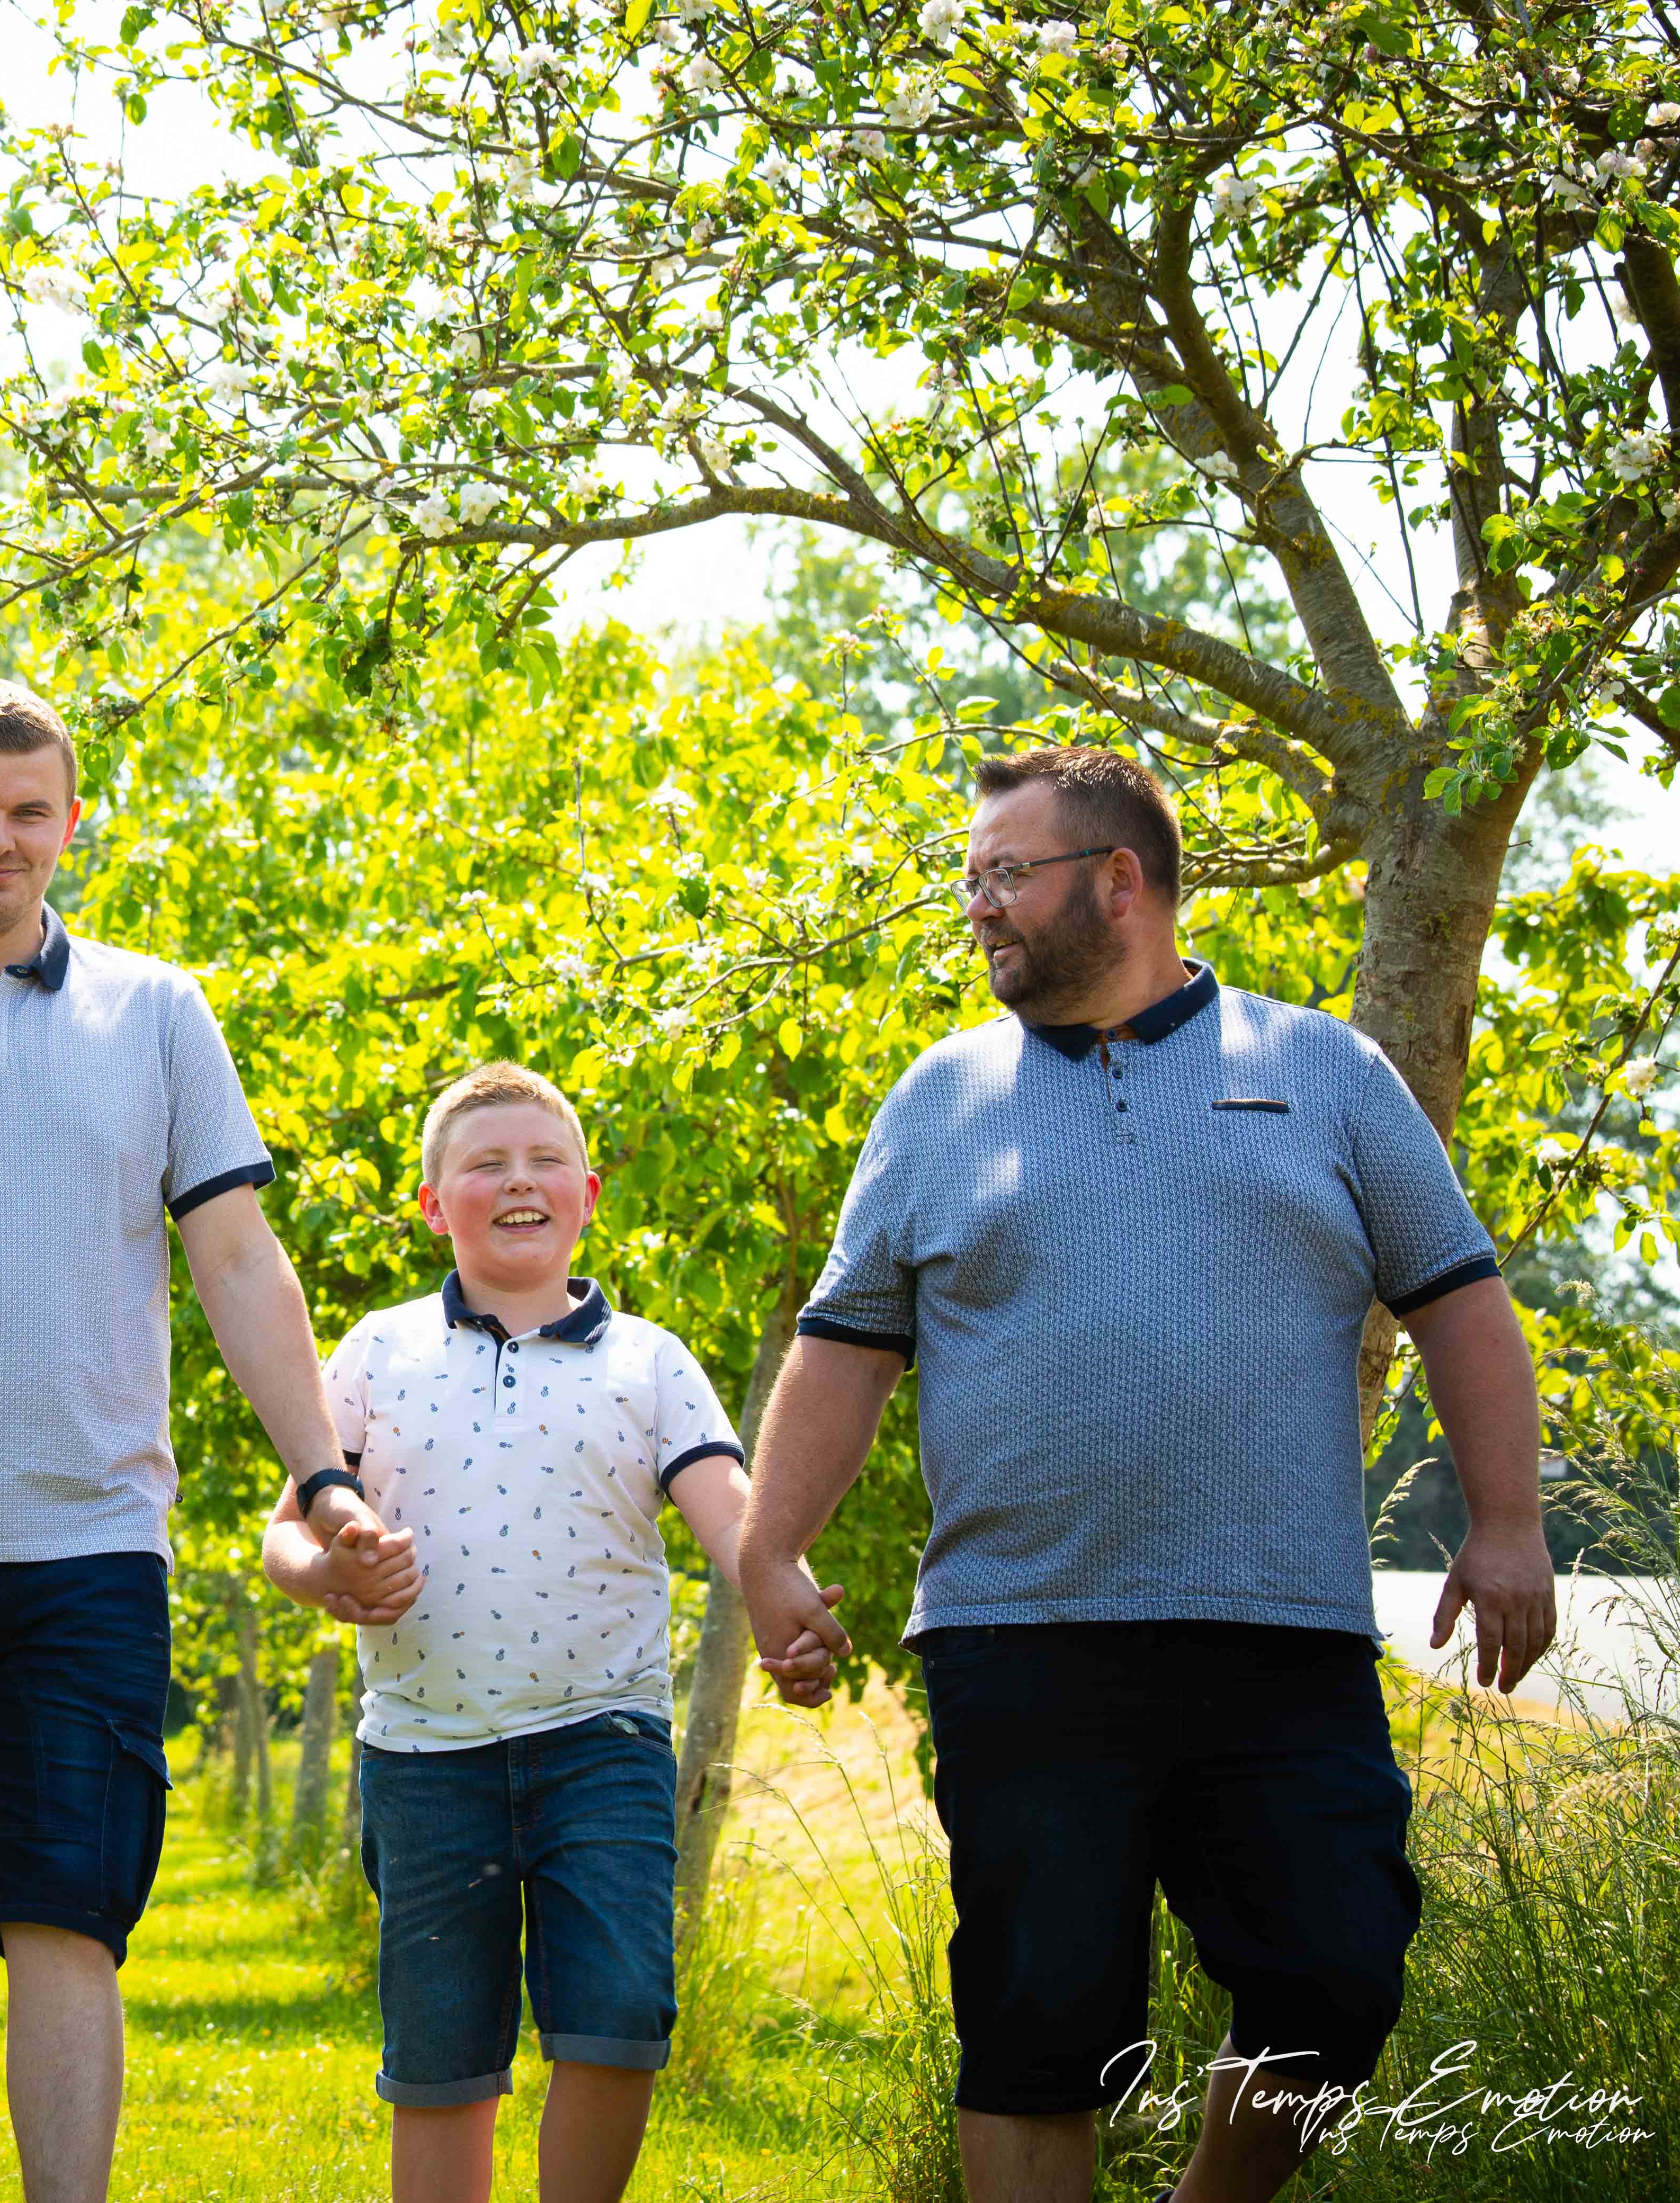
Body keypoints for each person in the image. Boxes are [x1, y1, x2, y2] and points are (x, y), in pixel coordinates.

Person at [737, 745, 1556, 2203]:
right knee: (1038, 2032)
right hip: (1019, 1640)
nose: (978, 904)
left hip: (1280, 1638)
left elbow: (1462, 1302)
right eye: (971, 875)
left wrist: (1506, 1524)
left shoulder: (1323, 1072)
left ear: (1122, 881)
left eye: (1008, 872)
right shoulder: (938, 1101)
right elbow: (847, 1348)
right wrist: (768, 1548)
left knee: (1337, 1988)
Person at [0, 677, 415, 2203]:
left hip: (91, 1545)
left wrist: (328, 1476)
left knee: (70, 1917)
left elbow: (239, 1263)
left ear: (70, 825)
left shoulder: (158, 1015)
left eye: (30, 812)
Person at [264, 1061, 838, 2203]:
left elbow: (734, 1514)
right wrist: (328, 1574)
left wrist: (787, 1600)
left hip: (602, 1743)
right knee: (443, 2056)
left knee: (619, 2011)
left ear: (586, 1193)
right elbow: (286, 1533)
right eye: (484, 1164)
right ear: (435, 1204)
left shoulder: (650, 1360)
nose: (516, 1181)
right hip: (424, 1758)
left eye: (542, 1163)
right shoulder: (377, 1352)